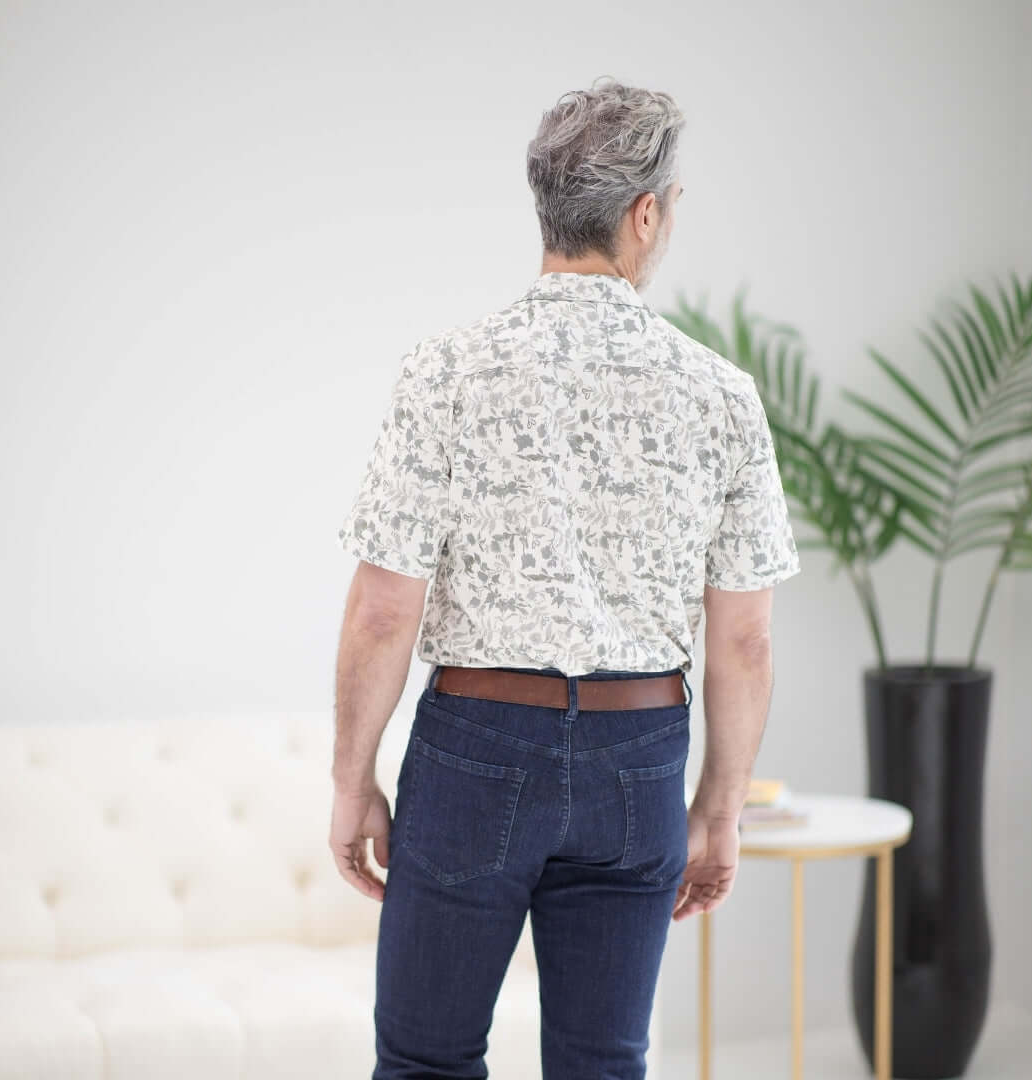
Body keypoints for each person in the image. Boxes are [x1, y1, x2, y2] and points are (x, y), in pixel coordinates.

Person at [331, 74, 801, 1080]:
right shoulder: (721, 395)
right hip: (640, 757)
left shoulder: (447, 372)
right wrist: (719, 808)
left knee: (426, 1062)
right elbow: (747, 637)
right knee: (603, 1065)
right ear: (644, 215)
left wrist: (350, 779)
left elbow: (382, 614)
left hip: (475, 751)